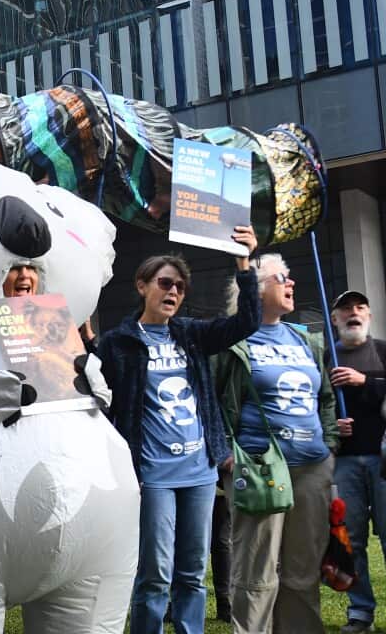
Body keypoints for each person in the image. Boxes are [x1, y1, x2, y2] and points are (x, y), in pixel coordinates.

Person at [94, 225, 260, 634]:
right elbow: (89, 383)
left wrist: (244, 261)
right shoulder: (119, 343)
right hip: (152, 476)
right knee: (155, 574)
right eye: (165, 283)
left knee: (192, 572)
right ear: (141, 286)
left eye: (180, 287)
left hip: (199, 472)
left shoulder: (191, 334)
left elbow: (248, 321)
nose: (173, 292)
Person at [215, 253, 342, 634]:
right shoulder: (231, 339)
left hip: (312, 466)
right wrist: (225, 454)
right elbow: (212, 398)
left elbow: (326, 398)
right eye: (280, 278)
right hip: (259, 467)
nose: (291, 284)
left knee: (303, 572)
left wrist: (330, 443)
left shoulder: (306, 339)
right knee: (257, 573)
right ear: (255, 288)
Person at [327, 291, 386, 633]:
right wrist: (332, 422)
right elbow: (315, 404)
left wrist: (364, 381)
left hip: (383, 461)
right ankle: (361, 611)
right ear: (334, 318)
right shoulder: (325, 358)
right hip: (344, 463)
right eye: (346, 309)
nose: (354, 313)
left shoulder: (381, 351)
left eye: (360, 307)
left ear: (369, 315)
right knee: (352, 540)